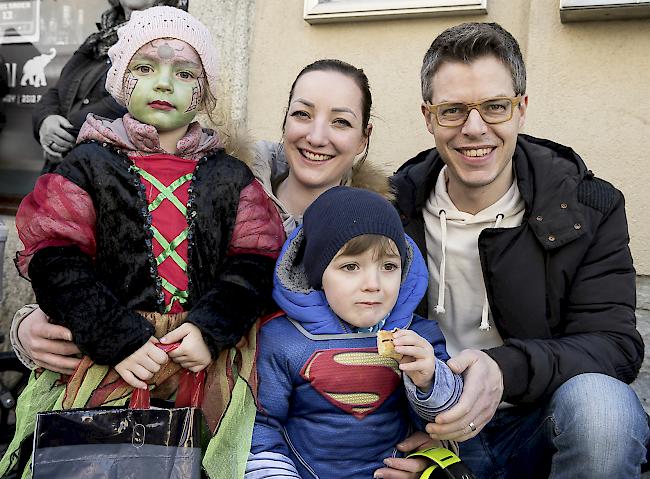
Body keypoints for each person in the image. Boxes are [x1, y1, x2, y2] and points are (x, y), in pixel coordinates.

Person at [0, 6, 284, 478]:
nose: (165, 83)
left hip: (197, 368)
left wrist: (209, 328)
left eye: (184, 72)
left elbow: (252, 264)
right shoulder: (88, 166)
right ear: (120, 80)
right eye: (145, 68)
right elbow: (57, 262)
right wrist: (119, 338)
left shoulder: (230, 177)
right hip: (101, 365)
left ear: (205, 91)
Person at [388, 22, 648, 478]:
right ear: (428, 117)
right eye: (453, 110)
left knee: (605, 413)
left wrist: (502, 371)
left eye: (494, 106)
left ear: (521, 109)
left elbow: (615, 346)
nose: (474, 129)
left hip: (540, 423)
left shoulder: (588, 206)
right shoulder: (394, 210)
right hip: (433, 424)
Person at [246, 186, 463, 478]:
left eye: (388, 266)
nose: (373, 284)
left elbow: (446, 423)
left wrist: (430, 379)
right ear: (318, 273)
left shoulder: (418, 336)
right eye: (351, 266)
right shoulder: (283, 340)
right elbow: (260, 425)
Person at [34, 0, 187, 174]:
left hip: (115, 170)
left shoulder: (171, 33)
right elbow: (57, 90)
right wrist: (47, 120)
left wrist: (65, 132)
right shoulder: (99, 39)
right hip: (68, 166)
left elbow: (134, 99)